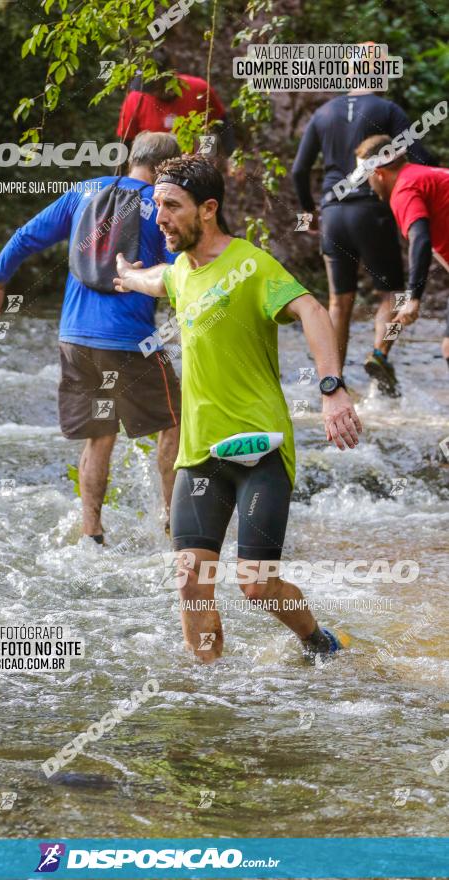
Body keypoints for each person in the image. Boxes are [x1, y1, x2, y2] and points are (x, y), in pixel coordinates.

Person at [114, 155, 363, 663]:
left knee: (255, 584)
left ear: (208, 209)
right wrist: (128, 276)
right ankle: (208, 692)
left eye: (172, 206)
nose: (159, 216)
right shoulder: (182, 270)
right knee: (190, 578)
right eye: (156, 205)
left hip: (260, 447)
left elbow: (312, 309)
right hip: (201, 450)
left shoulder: (251, 264)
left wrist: (332, 387)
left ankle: (318, 641)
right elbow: (161, 279)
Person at [0, 132, 182, 543]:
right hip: (130, 341)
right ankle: (176, 524)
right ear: (163, 172)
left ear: (130, 159)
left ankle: (92, 533)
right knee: (174, 423)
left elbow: (26, 236)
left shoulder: (83, 191)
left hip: (74, 339)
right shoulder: (161, 208)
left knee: (100, 434)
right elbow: (183, 275)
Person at [292, 75, 436, 394]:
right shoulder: (386, 109)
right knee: (391, 293)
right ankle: (379, 355)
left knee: (338, 301)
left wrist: (309, 212)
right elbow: (422, 156)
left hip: (332, 213)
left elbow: (299, 170)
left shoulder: (324, 112)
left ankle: (333, 379)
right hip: (373, 212)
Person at [354, 134, 449, 367]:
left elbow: (420, 239)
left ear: (378, 173)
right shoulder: (423, 176)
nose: (369, 184)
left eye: (367, 177)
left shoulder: (404, 190)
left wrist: (413, 298)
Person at [117, 48, 236, 158]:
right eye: (150, 89)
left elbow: (222, 124)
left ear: (169, 77)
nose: (154, 92)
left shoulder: (199, 90)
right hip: (153, 167)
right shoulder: (136, 99)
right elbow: (125, 142)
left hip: (193, 166)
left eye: (157, 87)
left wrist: (232, 158)